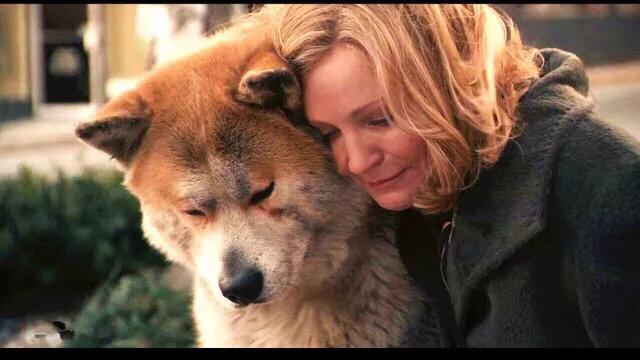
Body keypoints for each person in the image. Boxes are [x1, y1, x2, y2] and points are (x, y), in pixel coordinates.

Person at [245, 4, 640, 347]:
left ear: (449, 80)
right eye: (329, 132)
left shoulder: (612, 190)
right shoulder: (420, 197)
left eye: (379, 120)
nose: (357, 161)